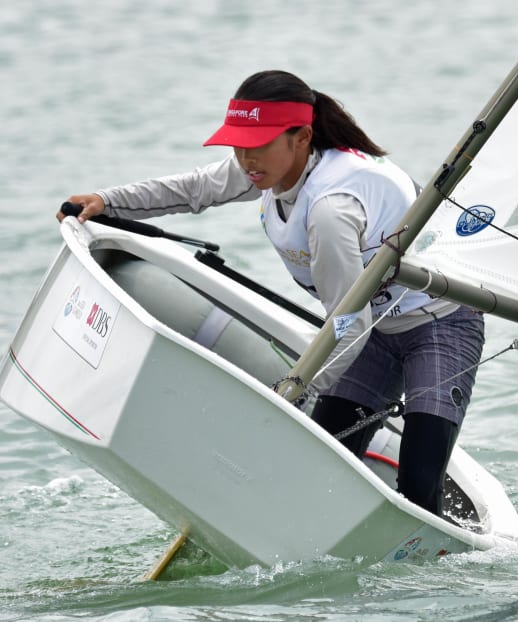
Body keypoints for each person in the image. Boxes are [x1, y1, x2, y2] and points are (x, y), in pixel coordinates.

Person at [58, 70, 485, 517]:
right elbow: (194, 188)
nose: (245, 159)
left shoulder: (330, 209)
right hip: (370, 329)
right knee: (321, 467)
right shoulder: (269, 168)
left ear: (302, 137)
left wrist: (296, 391)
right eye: (238, 145)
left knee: (418, 484)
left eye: (257, 144)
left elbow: (349, 324)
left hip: (440, 325)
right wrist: (107, 201)